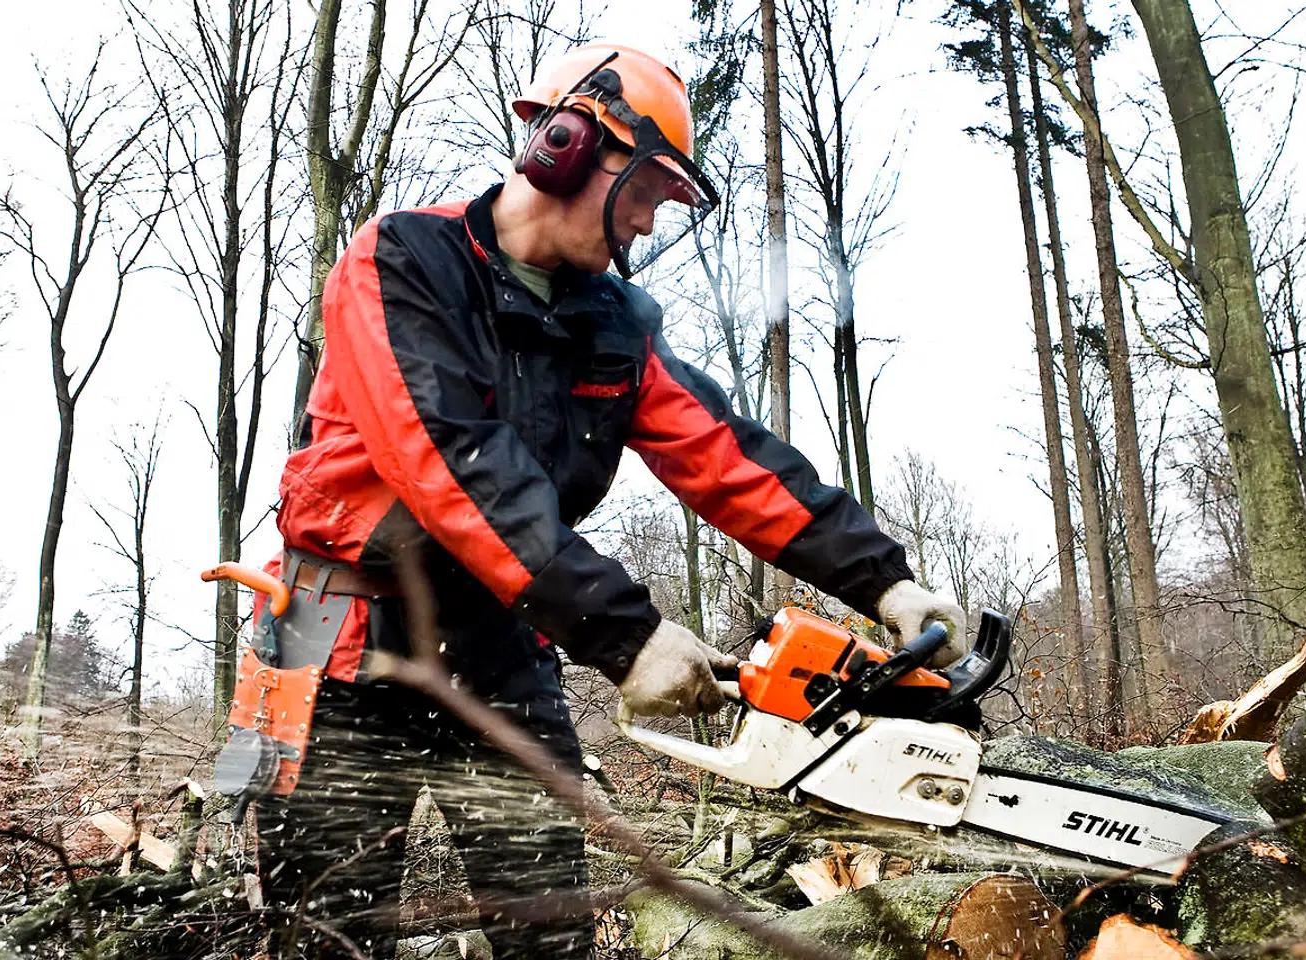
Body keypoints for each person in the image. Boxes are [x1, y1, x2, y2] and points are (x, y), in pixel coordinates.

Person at [252, 42, 966, 959]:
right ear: (572, 144)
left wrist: (884, 583)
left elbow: (727, 455)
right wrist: (625, 635)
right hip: (328, 635)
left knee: (548, 925)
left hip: (499, 641)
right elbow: (451, 460)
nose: (646, 225)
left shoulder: (612, 326)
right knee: (321, 927)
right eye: (646, 193)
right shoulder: (403, 261)